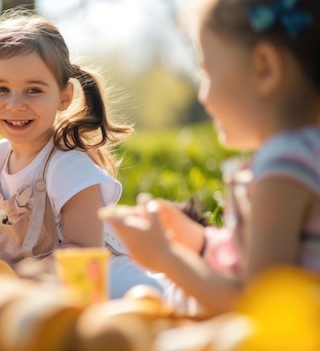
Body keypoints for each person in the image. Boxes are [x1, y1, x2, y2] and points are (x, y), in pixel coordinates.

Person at [101, 0, 320, 316]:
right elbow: (261, 261)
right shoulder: (303, 154)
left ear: (265, 69)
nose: (203, 95)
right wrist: (199, 241)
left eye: (207, 71)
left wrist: (165, 257)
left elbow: (255, 307)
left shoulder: (282, 167)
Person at [0, 10, 163, 297]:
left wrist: (20, 282)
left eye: (33, 90)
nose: (15, 104)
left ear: (64, 97)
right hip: (34, 290)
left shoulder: (67, 165)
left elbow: (84, 254)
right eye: (1, 89)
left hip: (102, 282)